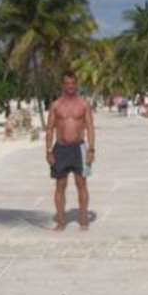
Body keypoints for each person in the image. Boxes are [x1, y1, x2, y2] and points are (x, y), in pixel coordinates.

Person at [45, 70, 96, 231]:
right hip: (60, 149)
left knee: (82, 184)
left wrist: (91, 150)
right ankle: (61, 221)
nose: (70, 86)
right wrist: (48, 150)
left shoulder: (84, 104)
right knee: (60, 185)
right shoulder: (56, 105)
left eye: (73, 83)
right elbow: (49, 129)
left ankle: (83, 219)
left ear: (76, 84)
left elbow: (90, 127)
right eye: (67, 83)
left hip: (79, 148)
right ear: (63, 85)